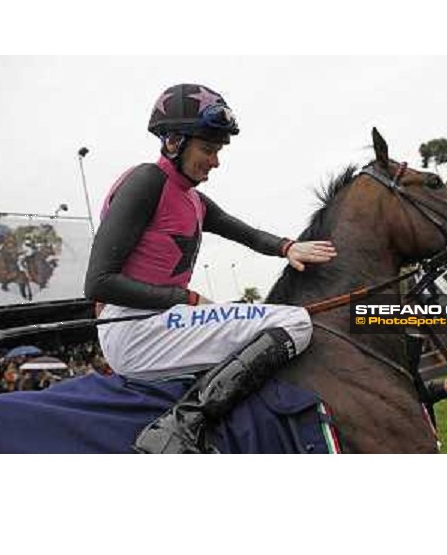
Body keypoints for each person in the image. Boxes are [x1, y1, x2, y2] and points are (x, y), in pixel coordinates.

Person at [84, 83, 337, 452]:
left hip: (159, 321)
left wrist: (288, 247)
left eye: (217, 150)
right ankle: (182, 424)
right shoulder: (146, 181)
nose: (215, 161)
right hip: (134, 330)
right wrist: (184, 297)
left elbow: (245, 232)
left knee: (248, 317)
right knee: (294, 323)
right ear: (173, 142)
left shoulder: (194, 199)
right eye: (207, 149)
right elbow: (98, 283)